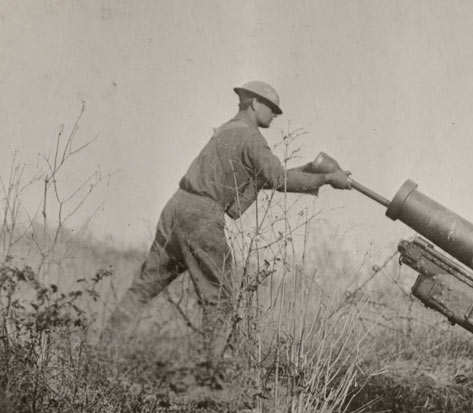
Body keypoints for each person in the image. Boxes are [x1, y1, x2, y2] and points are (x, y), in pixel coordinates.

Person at [106, 81, 353, 364]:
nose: (275, 115)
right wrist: (328, 179)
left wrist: (309, 171)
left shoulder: (227, 131)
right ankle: (212, 380)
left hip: (177, 207)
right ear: (254, 103)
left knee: (144, 287)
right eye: (271, 108)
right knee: (220, 301)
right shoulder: (251, 139)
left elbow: (266, 177)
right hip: (202, 217)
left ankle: (99, 353)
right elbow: (278, 178)